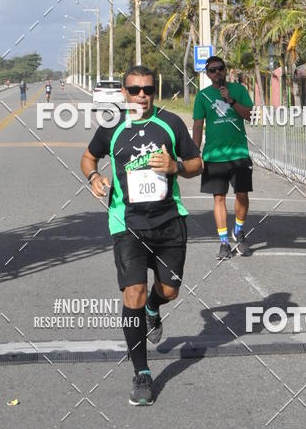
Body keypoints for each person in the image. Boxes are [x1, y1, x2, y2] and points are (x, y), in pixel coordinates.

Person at [81, 65, 202, 407]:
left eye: (148, 89)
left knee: (169, 290)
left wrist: (176, 167)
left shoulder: (171, 123)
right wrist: (93, 177)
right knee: (131, 291)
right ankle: (142, 372)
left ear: (154, 90)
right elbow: (88, 157)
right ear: (124, 92)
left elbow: (197, 164)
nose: (142, 96)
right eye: (134, 90)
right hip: (127, 223)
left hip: (169, 221)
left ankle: (154, 306)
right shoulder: (111, 125)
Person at [192, 55, 254, 259]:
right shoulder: (202, 96)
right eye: (212, 70)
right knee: (218, 198)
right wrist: (195, 153)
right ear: (208, 75)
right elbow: (198, 125)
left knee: (242, 195)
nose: (217, 72)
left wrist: (231, 100)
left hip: (238, 153)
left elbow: (248, 115)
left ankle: (239, 231)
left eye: (220, 68)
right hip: (214, 155)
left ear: (226, 70)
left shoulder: (238, 90)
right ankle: (224, 242)